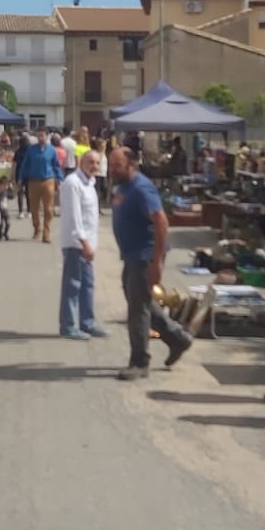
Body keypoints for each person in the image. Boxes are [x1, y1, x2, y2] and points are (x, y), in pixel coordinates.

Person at [109, 146, 192, 379]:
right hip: (131, 256)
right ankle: (178, 338)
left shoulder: (142, 188)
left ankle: (139, 361)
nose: (112, 169)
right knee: (141, 302)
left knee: (137, 310)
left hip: (144, 257)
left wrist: (157, 262)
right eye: (111, 164)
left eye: (117, 165)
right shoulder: (124, 185)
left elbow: (161, 222)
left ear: (131, 164)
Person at [57, 150, 108, 340]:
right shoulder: (73, 183)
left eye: (97, 163)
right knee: (73, 285)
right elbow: (74, 217)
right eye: (90, 162)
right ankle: (68, 325)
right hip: (76, 243)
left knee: (88, 285)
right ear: (81, 163)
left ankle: (87, 322)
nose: (94, 166)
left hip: (88, 244)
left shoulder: (90, 183)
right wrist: (84, 242)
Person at [18, 128, 60, 242]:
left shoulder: (52, 150)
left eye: (42, 136)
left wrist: (59, 180)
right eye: (38, 136)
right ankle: (37, 228)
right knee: (34, 208)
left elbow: (56, 166)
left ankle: (46, 232)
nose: (40, 138)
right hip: (34, 182)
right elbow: (25, 165)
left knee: (48, 208)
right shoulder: (31, 150)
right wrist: (20, 179)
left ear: (47, 137)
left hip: (48, 181)